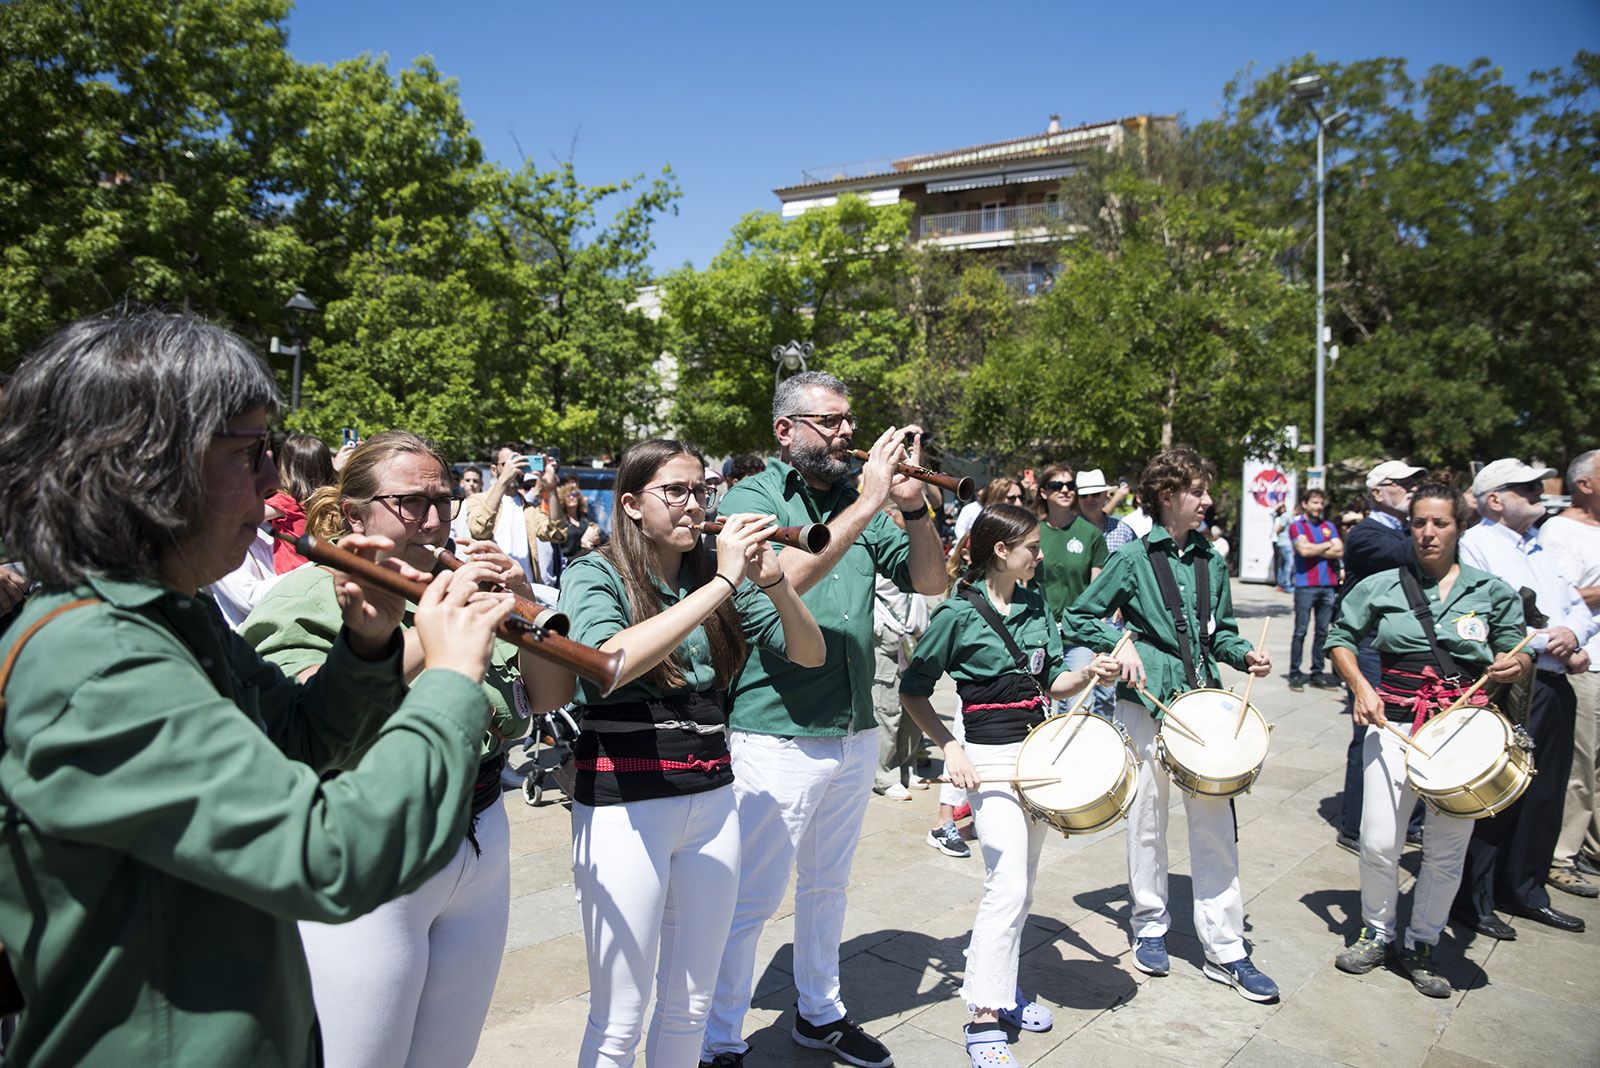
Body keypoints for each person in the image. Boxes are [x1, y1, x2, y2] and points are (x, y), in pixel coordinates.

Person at [0, 310, 513, 1067]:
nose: (277, 483)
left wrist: (367, 645)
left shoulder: (173, 615)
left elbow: (302, 739)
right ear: (144, 466)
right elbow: (329, 857)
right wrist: (447, 677)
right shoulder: (96, 659)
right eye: (251, 453)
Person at [242, 430, 575, 1068]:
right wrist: (431, 629)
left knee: (445, 1057)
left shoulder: (464, 588)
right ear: (353, 513)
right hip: (374, 847)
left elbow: (550, 697)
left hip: (480, 832)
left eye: (443, 501)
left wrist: (525, 603)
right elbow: (311, 718)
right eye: (409, 504)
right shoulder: (308, 593)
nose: (432, 520)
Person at [700, 371, 946, 1068]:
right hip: (774, 729)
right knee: (749, 898)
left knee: (827, 886)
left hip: (852, 724)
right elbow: (780, 577)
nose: (846, 434)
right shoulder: (753, 496)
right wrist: (870, 504)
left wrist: (915, 506)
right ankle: (717, 1039)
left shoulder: (854, 498)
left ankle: (820, 1011)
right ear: (786, 431)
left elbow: (931, 581)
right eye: (830, 422)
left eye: (848, 421)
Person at [557, 438, 823, 1068]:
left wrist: (774, 582)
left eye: (700, 490)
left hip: (711, 799)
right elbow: (609, 665)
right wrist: (726, 580)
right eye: (673, 491)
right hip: (627, 802)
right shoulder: (594, 573)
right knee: (619, 1019)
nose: (693, 506)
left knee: (691, 1006)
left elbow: (810, 654)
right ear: (629, 504)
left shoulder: (711, 574)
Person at [899, 504, 1119, 1068]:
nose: (1040, 555)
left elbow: (1053, 682)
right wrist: (951, 748)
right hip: (989, 759)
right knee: (1007, 885)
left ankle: (1002, 987)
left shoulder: (1037, 602)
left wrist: (1090, 672)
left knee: (1023, 877)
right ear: (1001, 550)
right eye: (1032, 547)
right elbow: (913, 689)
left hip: (1039, 752)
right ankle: (983, 1015)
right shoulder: (956, 614)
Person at [1062, 447, 1279, 1003]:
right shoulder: (1133, 557)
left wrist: (1242, 655)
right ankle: (1150, 923)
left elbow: (1222, 631)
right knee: (1147, 819)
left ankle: (1226, 947)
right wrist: (1119, 644)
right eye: (1199, 492)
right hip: (1148, 704)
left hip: (1205, 707)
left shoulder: (1211, 558)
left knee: (1215, 825)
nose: (1208, 501)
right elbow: (1080, 614)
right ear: (1167, 495)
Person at [1326, 481, 1530, 996]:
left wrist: (1513, 665)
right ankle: (1376, 929)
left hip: (1463, 729)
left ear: (1459, 526)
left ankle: (1422, 941)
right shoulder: (1381, 584)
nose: (1428, 532)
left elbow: (1520, 647)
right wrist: (1360, 685)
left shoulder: (1490, 590)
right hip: (1393, 720)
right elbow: (1340, 638)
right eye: (1419, 522)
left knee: (1445, 848)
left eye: (1440, 522)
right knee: (1378, 839)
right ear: (1409, 526)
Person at [1451, 458, 1597, 937]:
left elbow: (1577, 608)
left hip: (1555, 682)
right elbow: (1481, 617)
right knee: (1498, 793)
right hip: (1513, 683)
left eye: (1538, 486)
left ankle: (1526, 888)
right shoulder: (1478, 545)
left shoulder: (1540, 545)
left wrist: (1571, 634)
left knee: (1545, 792)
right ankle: (1475, 898)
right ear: (1495, 499)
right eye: (1527, 487)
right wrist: (1544, 639)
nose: (1539, 492)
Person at [1333, 460, 1426, 852]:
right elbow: (1413, 553)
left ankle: (1409, 821)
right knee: (1372, 729)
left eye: (1414, 483)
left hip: (1406, 644)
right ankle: (1354, 826)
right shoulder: (1367, 535)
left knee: (1417, 727)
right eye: (1401, 484)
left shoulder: (1404, 530)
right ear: (1376, 493)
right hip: (1369, 645)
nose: (1411, 490)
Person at [1541, 449, 1600, 897]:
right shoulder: (1560, 532)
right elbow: (1558, 599)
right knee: (1580, 767)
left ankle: (1590, 849)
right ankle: (1560, 856)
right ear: (1584, 484)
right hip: (1585, 665)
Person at [1035, 463, 1109, 706]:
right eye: (1057, 485)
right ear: (1044, 492)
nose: (1065, 490)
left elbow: (1099, 595)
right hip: (1039, 636)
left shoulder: (1090, 534)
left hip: (1079, 638)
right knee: (1038, 711)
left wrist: (1100, 640)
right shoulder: (1031, 532)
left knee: (1077, 710)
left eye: (1070, 485)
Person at [871, 508, 931, 800]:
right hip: (887, 637)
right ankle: (885, 774)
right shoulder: (875, 545)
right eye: (895, 510)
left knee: (913, 708)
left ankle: (908, 770)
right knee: (888, 709)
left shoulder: (915, 544)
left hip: (915, 637)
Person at [461, 443, 563, 587]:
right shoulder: (477, 500)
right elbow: (479, 530)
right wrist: (503, 480)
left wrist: (552, 489)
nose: (515, 468)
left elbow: (557, 533)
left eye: (519, 462)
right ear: (494, 469)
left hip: (525, 594)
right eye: (508, 463)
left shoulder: (529, 509)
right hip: (490, 591)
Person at [1288, 488, 1344, 691]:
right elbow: (1303, 550)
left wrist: (1316, 547)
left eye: (1321, 503)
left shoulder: (1328, 526)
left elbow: (1340, 550)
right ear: (1305, 504)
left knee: (1323, 632)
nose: (1318, 507)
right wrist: (1327, 546)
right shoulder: (1297, 526)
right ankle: (1295, 673)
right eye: (1314, 502)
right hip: (1305, 585)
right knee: (1300, 631)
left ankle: (1317, 673)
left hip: (1327, 585)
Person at [268, 433, 337, 573]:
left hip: (291, 574)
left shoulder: (286, 501)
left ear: (286, 466)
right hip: (320, 568)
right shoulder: (329, 498)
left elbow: (245, 515)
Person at [1076, 468, 1136, 554]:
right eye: (1084, 496)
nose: (1089, 499)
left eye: (1095, 494)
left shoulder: (1123, 530)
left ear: (1105, 496)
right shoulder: (1068, 531)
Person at [952, 477, 1022, 547]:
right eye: (1012, 498)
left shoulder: (1023, 525)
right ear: (997, 498)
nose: (1019, 503)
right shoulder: (984, 523)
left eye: (1020, 497)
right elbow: (959, 529)